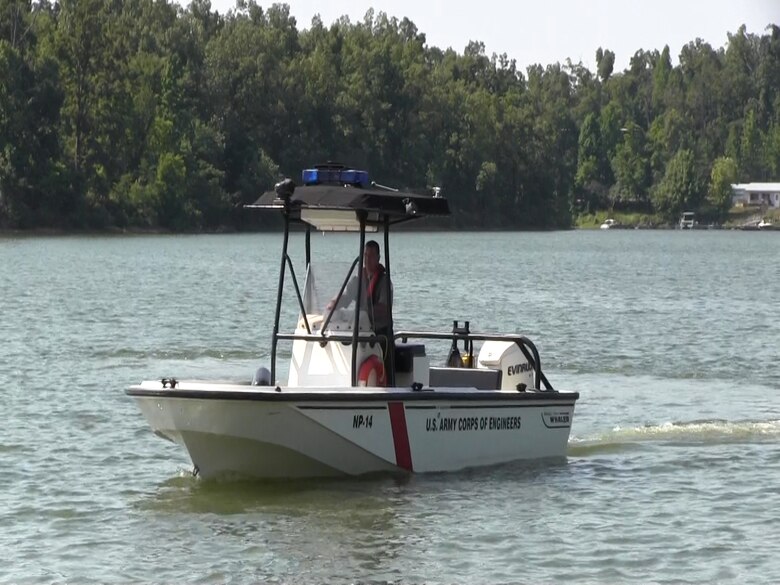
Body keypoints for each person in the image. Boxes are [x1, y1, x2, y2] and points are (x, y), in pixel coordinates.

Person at [327, 240, 394, 378]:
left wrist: (364, 313)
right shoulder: (357, 280)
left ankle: (390, 388)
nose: (368, 259)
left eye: (371, 256)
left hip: (380, 335)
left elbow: (383, 308)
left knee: (386, 372)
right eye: (365, 255)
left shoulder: (384, 282)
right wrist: (331, 305)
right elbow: (344, 297)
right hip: (361, 333)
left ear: (378, 258)